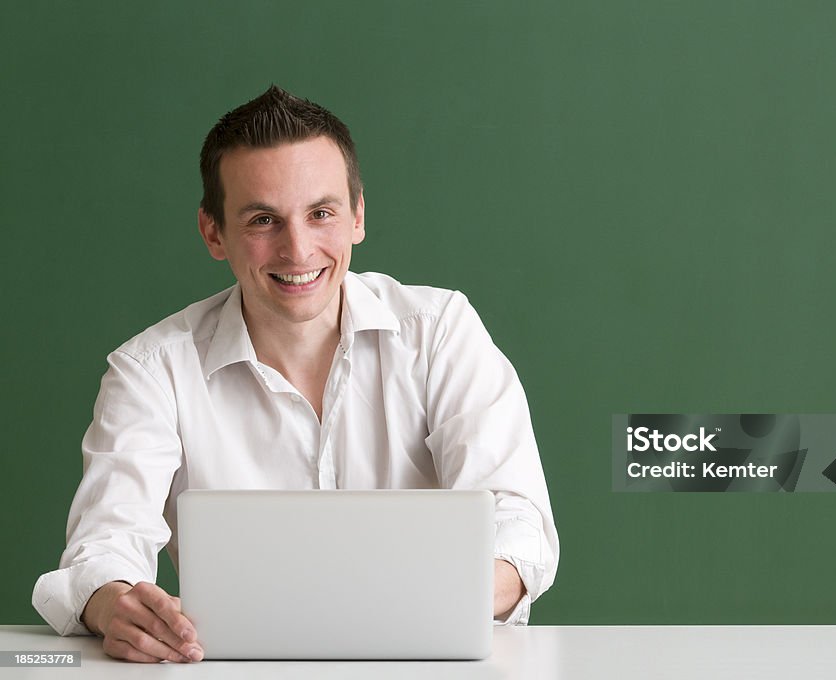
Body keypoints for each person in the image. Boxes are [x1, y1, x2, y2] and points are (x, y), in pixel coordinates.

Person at [32, 86, 558, 663]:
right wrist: (115, 604)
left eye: (321, 213)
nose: (298, 249)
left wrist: (406, 605)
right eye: (263, 220)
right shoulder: (149, 370)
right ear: (213, 232)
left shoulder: (440, 331)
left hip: (424, 665)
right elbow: (103, 549)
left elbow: (519, 526)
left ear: (357, 215)